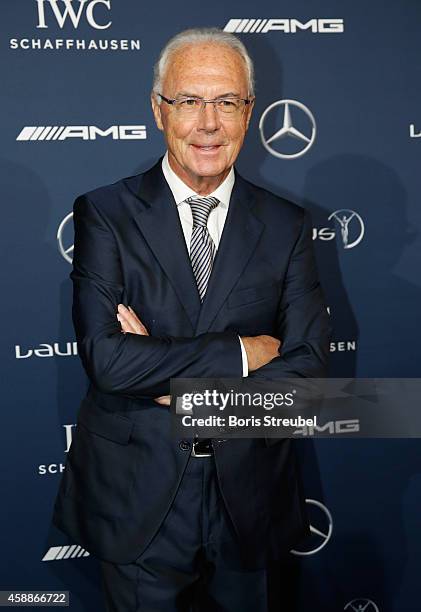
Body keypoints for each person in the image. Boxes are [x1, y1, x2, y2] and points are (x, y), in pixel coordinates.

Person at [52, 27, 330, 611]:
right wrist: (242, 355)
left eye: (226, 102)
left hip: (250, 492)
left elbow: (307, 377)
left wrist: (177, 392)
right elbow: (108, 360)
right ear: (159, 110)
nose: (208, 123)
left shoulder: (287, 225)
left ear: (249, 113)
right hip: (137, 495)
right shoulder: (105, 213)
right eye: (189, 101)